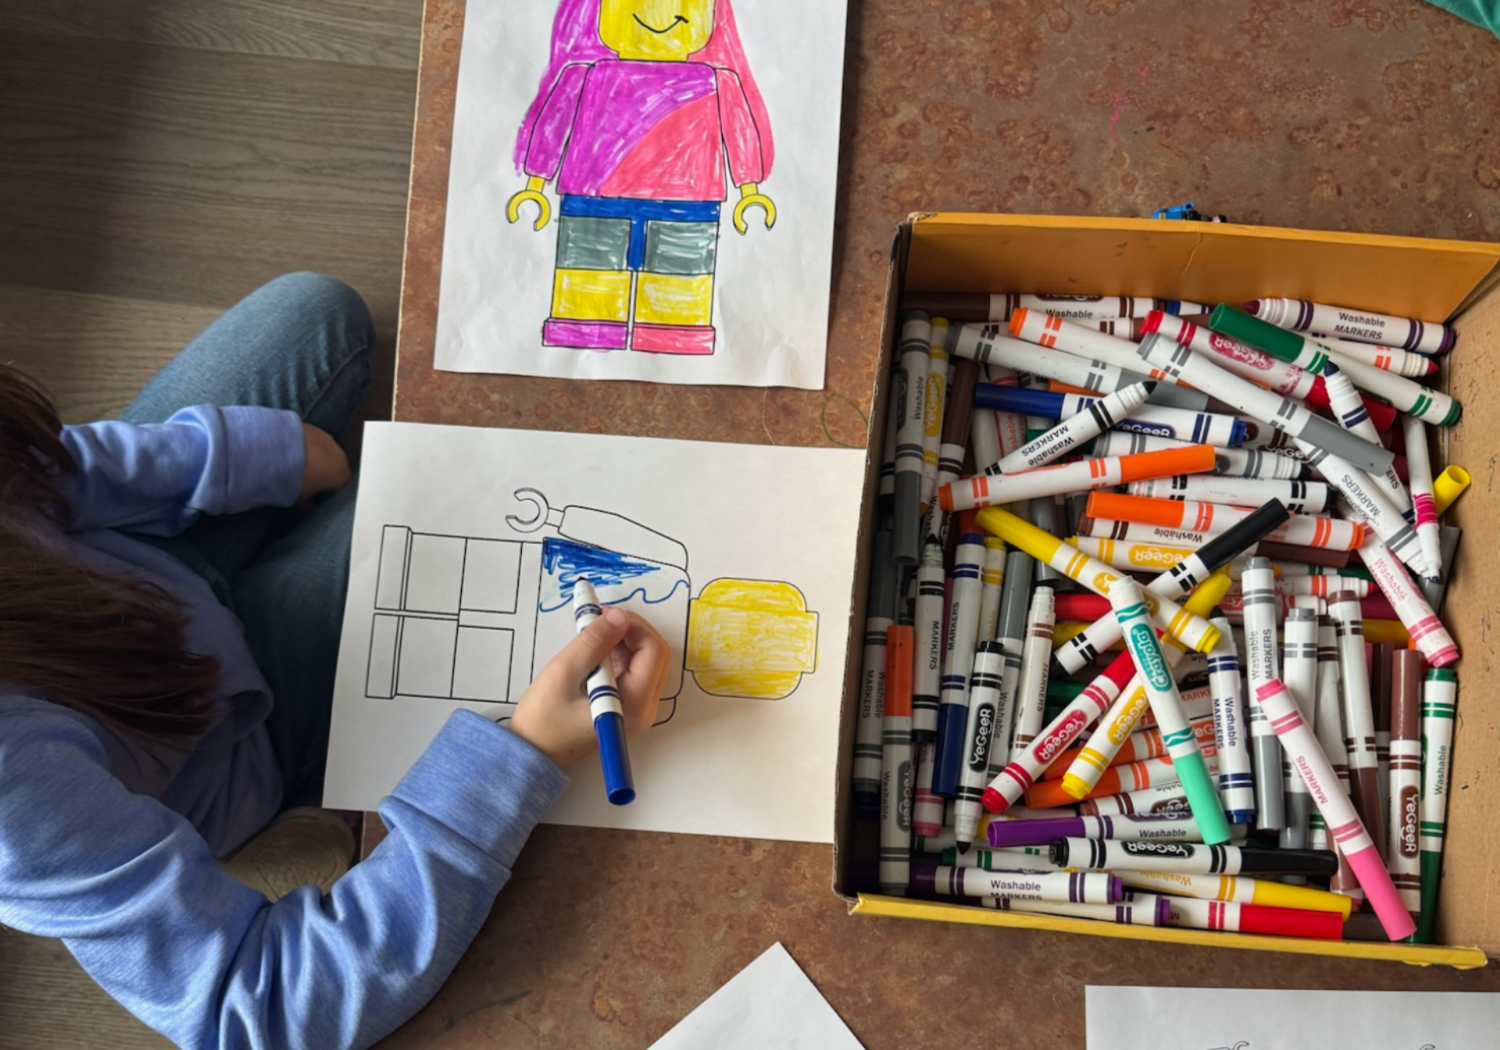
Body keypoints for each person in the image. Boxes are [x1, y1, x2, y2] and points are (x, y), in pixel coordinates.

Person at [0, 273, 672, 1050]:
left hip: (131, 563)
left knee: (318, 311)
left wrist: (237, 457)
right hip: (230, 733)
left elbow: (43, 474)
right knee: (440, 492)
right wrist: (524, 756)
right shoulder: (16, 794)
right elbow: (261, 1012)